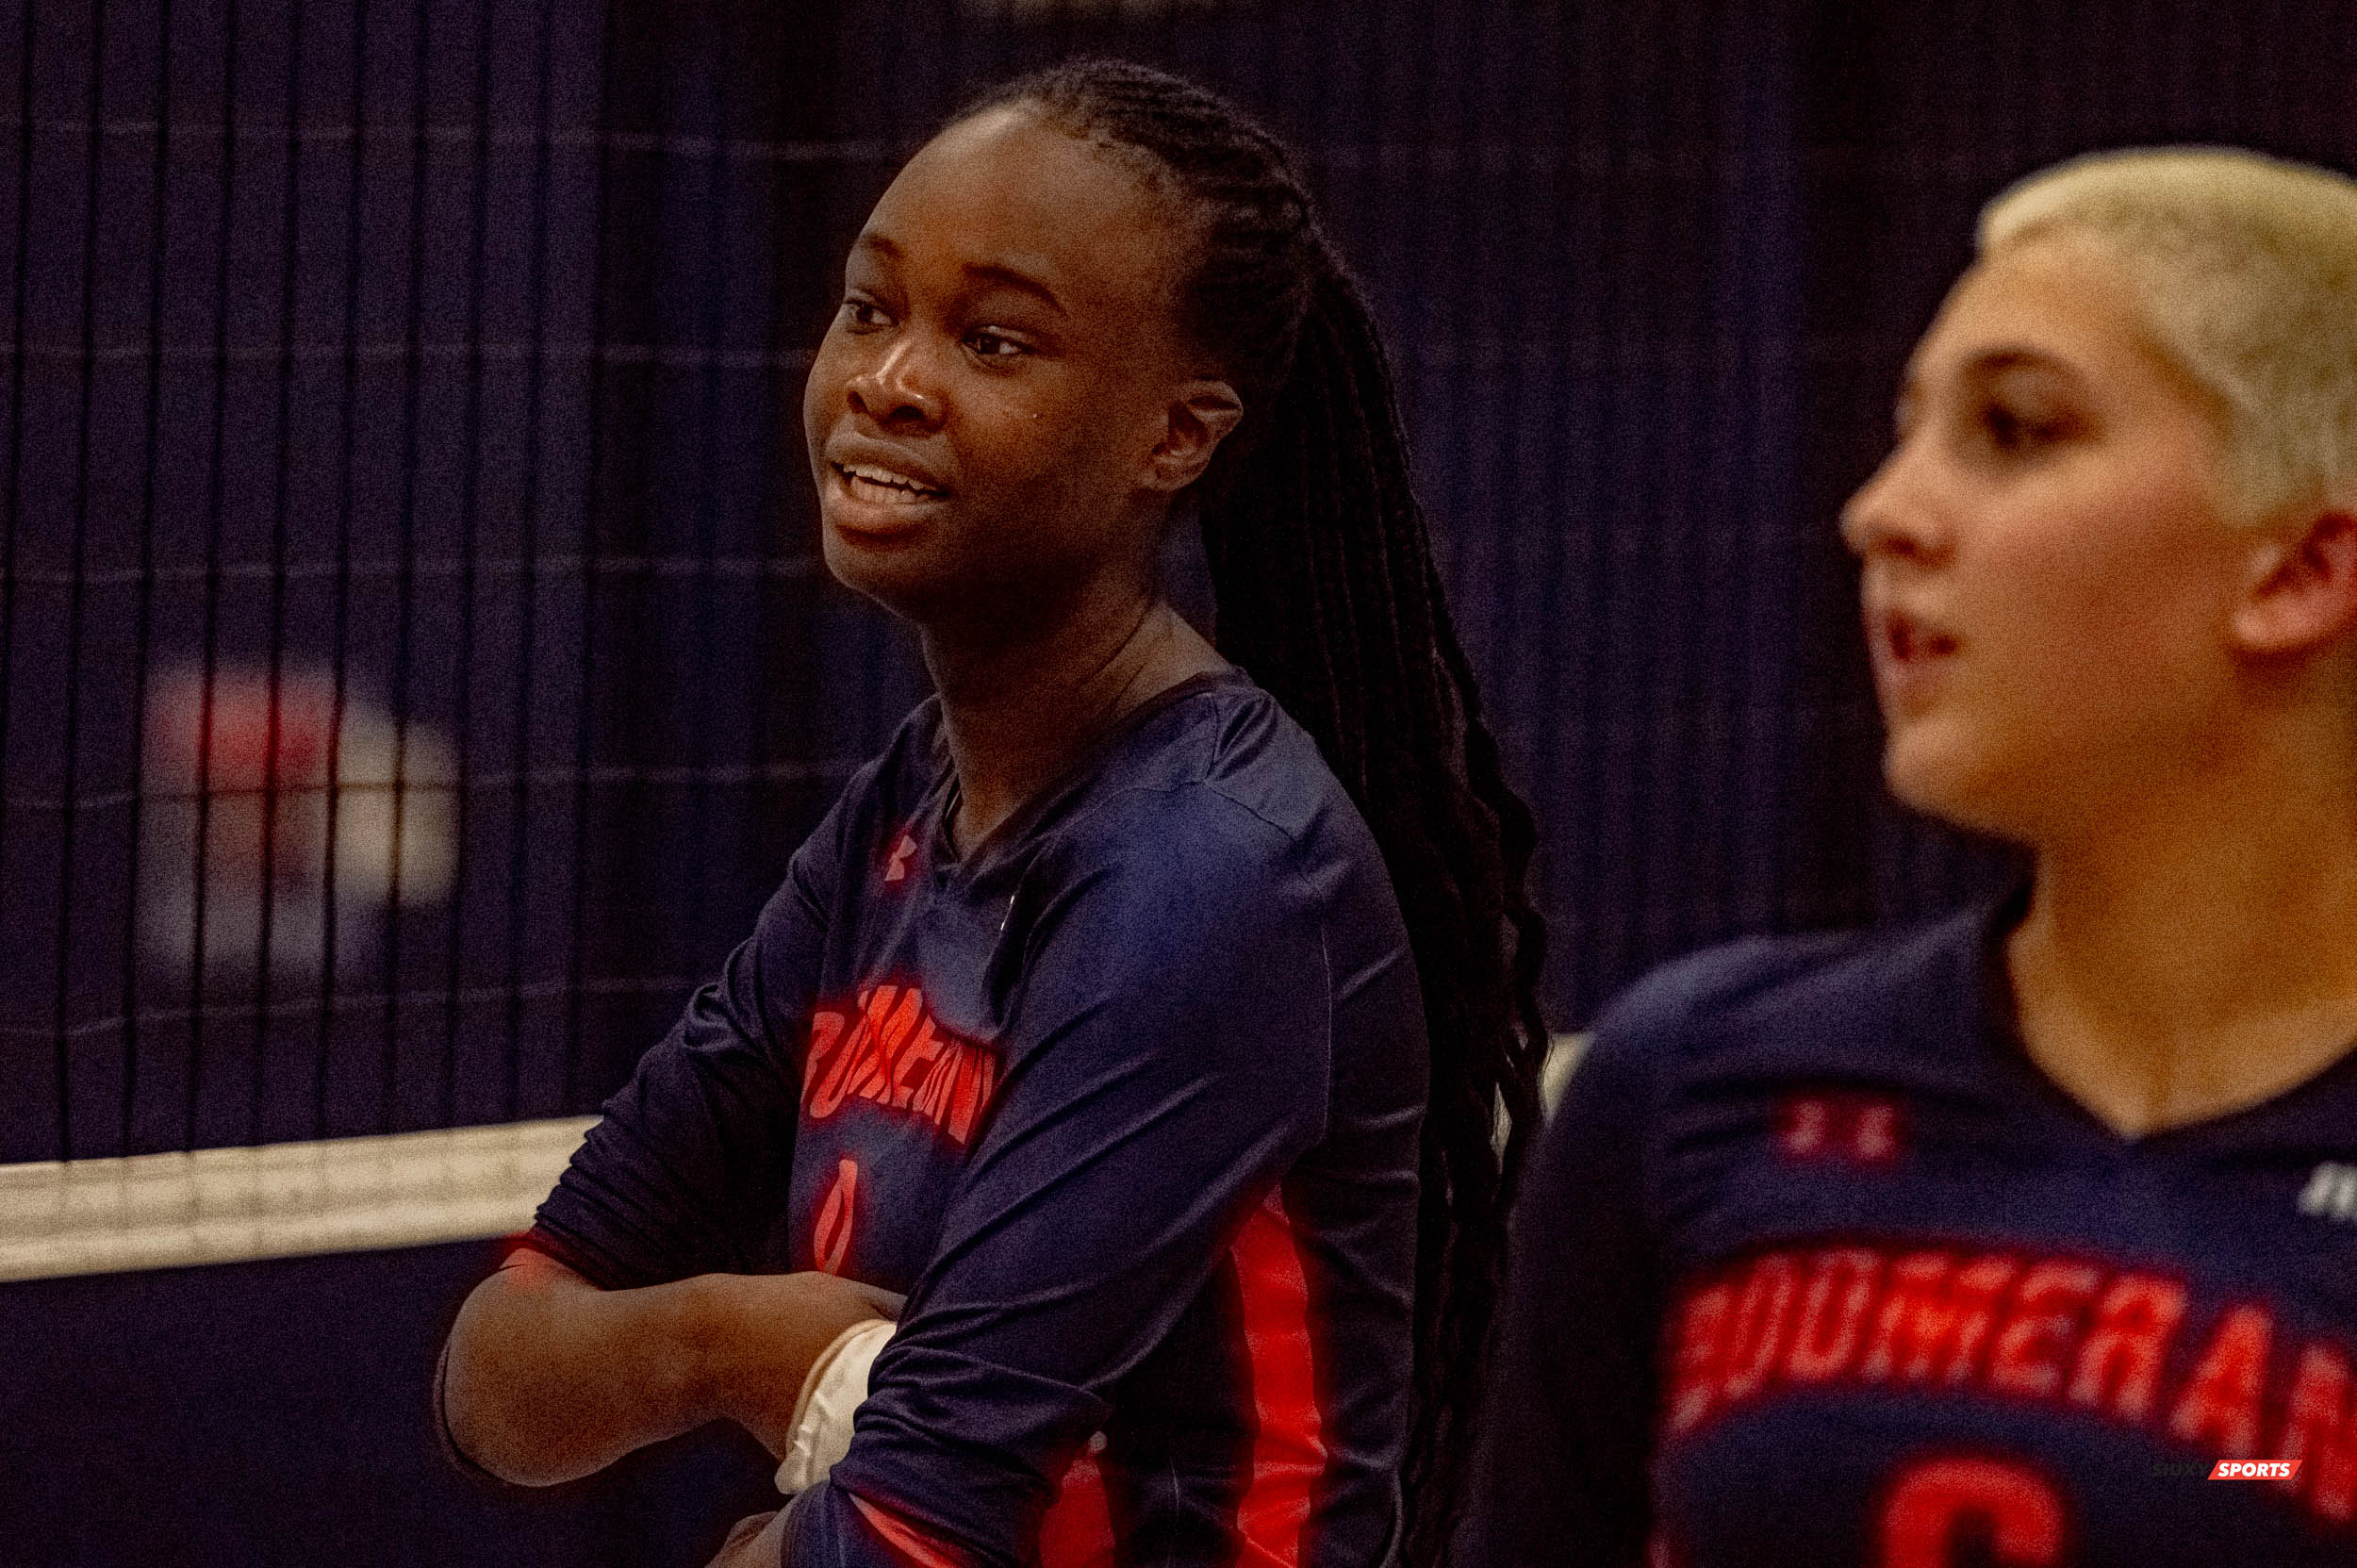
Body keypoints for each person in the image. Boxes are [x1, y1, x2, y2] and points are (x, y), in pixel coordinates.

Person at [437, 58, 1549, 1568]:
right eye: (869, 307)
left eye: (994, 339)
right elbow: (499, 1371)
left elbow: (909, 1533)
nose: (889, 378)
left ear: (1179, 435)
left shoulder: (1217, 871)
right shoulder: (909, 809)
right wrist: (723, 1342)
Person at [1456, 147, 2357, 1568]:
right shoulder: (1688, 1082)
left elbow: (2273, 1466)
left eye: (2015, 430)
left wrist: (2247, 1460)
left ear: (2301, 567)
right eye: (1908, 426)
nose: (1883, 511)